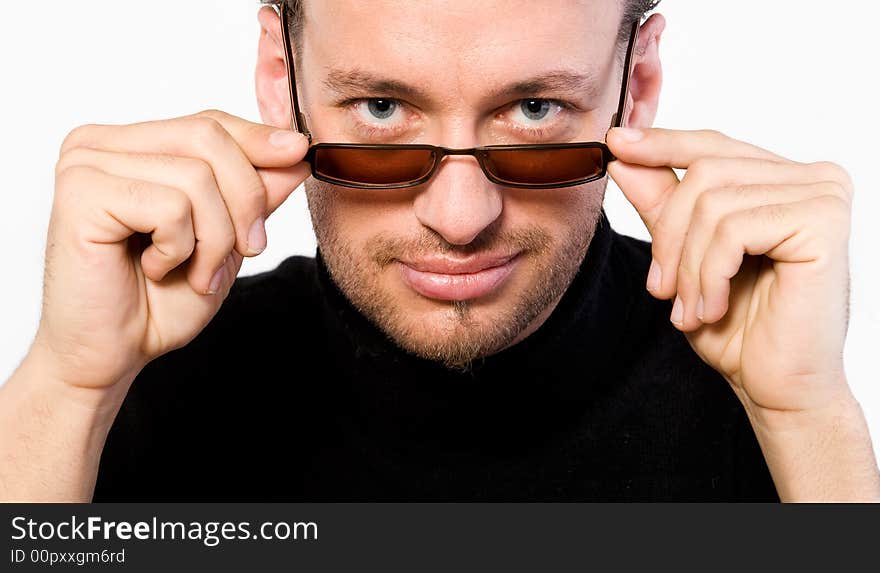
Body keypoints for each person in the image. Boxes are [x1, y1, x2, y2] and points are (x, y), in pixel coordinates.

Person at [1, 0, 878, 502]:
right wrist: (69, 383)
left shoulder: (767, 407)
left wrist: (809, 421)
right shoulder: (142, 386)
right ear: (282, 81)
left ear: (635, 85)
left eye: (535, 109)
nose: (460, 217)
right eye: (381, 107)